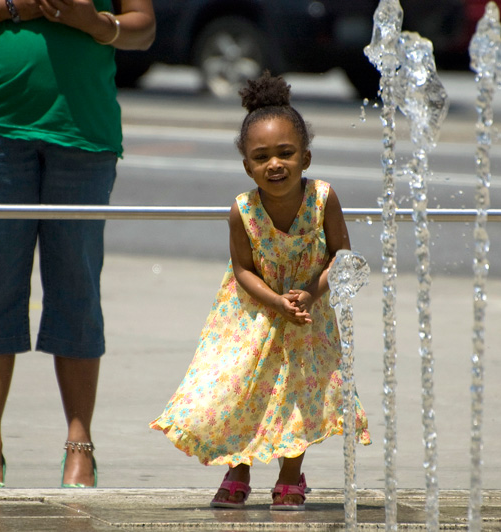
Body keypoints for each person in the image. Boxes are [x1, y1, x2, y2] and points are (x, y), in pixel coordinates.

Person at [0, 0, 155, 488]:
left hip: (83, 130)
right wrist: (11, 7)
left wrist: (95, 23)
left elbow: (143, 28)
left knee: (78, 288)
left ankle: (79, 443)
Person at [150, 72, 371, 510]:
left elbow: (341, 257)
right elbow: (243, 269)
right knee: (241, 389)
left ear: (305, 157)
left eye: (286, 153)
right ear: (247, 165)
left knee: (298, 393)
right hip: (250, 311)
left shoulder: (324, 198)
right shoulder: (242, 209)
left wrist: (308, 294)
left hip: (309, 311)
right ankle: (239, 468)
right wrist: (275, 301)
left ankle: (291, 477)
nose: (275, 164)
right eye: (262, 156)